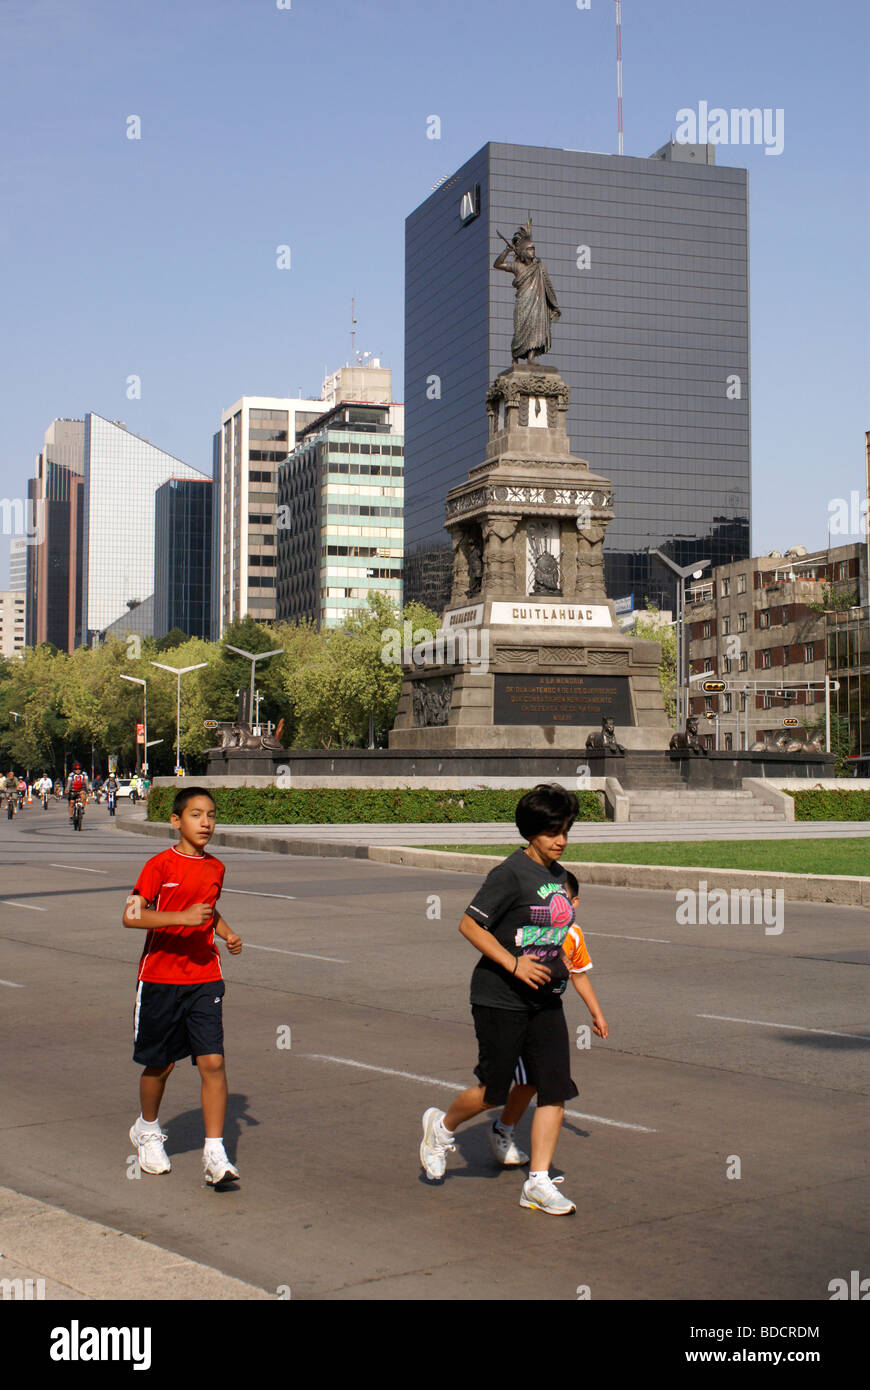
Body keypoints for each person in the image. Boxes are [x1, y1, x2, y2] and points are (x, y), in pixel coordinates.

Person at [420, 783, 583, 1214]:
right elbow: (470, 926)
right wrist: (515, 964)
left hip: (546, 997)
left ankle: (538, 1181)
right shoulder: (510, 873)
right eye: (552, 831)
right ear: (531, 832)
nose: (561, 839)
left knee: (551, 1087)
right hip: (500, 996)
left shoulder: (556, 875)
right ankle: (442, 1126)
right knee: (494, 1090)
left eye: (566, 830)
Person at [123, 786, 242, 1186]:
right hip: (160, 978)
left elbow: (207, 909)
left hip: (204, 976)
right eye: (195, 814)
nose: (205, 822)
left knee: (213, 1061)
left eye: (210, 814)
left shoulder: (216, 868)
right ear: (176, 821)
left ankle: (214, 1152)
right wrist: (181, 918)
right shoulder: (159, 866)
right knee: (161, 1063)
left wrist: (225, 933)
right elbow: (132, 916)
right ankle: (148, 1129)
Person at [487, 871, 608, 1163]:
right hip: (514, 1009)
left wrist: (597, 1014)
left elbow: (579, 976)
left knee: (536, 1083)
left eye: (563, 899)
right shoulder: (531, 927)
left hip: (545, 1013)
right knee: (505, 1087)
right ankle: (452, 1126)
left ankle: (505, 1134)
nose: (557, 905)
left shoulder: (574, 935)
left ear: (575, 903)